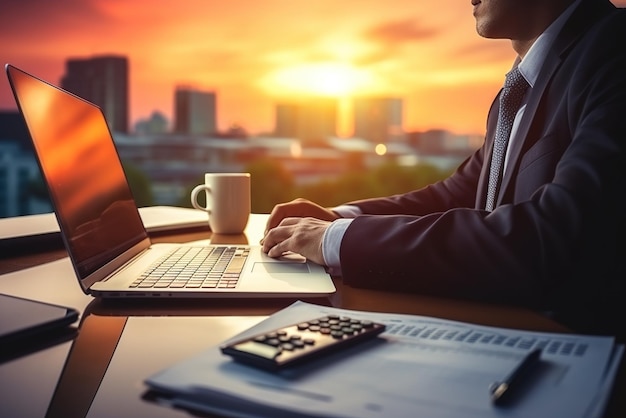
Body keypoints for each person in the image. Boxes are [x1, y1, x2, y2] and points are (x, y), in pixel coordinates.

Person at [261, 0, 626, 339]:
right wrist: (340, 217)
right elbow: (458, 194)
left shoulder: (613, 47)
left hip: (577, 348)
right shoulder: (520, 89)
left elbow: (560, 232)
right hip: (505, 330)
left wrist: (337, 239)